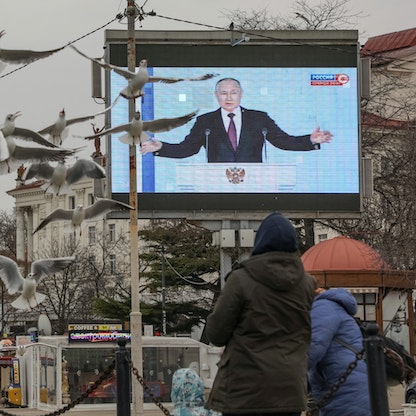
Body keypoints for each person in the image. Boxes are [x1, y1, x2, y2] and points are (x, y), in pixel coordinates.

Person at [204, 212, 316, 416]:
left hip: (245, 391)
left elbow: (216, 334)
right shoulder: (307, 284)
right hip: (289, 390)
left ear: (261, 242)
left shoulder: (240, 280)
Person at [140, 78, 333, 163]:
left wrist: (310, 140)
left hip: (254, 184)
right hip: (216, 185)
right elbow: (188, 149)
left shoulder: (259, 119)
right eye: (223, 93)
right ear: (216, 96)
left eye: (233, 92)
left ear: (241, 94)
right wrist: (161, 147)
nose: (229, 97)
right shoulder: (205, 121)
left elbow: (283, 141)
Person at [308, 287, 371, 416]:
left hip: (344, 390)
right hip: (350, 387)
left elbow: (312, 349)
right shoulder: (333, 307)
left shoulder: (322, 307)